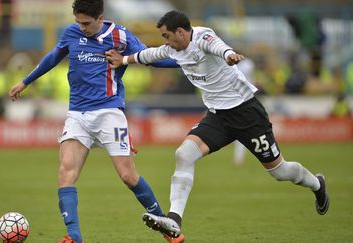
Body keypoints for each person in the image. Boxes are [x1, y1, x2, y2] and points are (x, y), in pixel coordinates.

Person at [105, 10, 329, 242]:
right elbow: (149, 55)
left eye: (166, 35)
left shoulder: (203, 37)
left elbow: (219, 47)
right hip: (218, 117)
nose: (165, 41)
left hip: (246, 112)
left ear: (180, 32)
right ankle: (174, 219)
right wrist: (123, 60)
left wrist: (230, 55)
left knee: (279, 171)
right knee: (184, 154)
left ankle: (316, 183)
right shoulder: (174, 48)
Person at [8, 1, 178, 243]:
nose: (82, 28)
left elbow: (149, 57)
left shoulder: (120, 35)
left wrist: (185, 62)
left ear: (101, 17)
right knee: (66, 172)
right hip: (77, 114)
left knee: (128, 176)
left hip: (109, 113)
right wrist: (25, 82)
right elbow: (52, 57)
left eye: (86, 23)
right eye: (79, 22)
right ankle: (74, 236)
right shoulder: (71, 32)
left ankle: (166, 227)